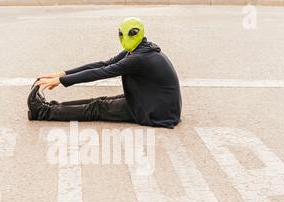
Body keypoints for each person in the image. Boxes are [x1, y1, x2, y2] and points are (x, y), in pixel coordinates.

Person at [28, 17, 182, 129]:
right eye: (121, 34)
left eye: (126, 34)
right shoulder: (140, 49)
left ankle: (42, 112)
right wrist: (63, 74)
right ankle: (48, 107)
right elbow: (105, 63)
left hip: (157, 112)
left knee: (98, 107)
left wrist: (62, 81)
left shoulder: (139, 58)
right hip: (156, 103)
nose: (123, 38)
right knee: (101, 101)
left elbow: (102, 72)